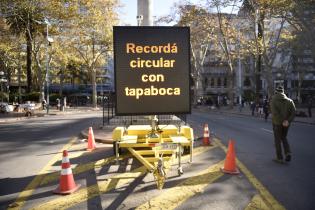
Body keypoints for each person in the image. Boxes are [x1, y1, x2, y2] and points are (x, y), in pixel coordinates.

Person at [271, 86, 296, 164]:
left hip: (277, 123)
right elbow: (293, 112)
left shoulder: (273, 100)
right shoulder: (290, 101)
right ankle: (288, 152)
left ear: (276, 91)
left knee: (277, 140)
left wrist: (282, 121)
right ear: (283, 92)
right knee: (284, 137)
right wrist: (287, 121)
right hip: (286, 124)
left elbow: (274, 113)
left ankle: (279, 158)